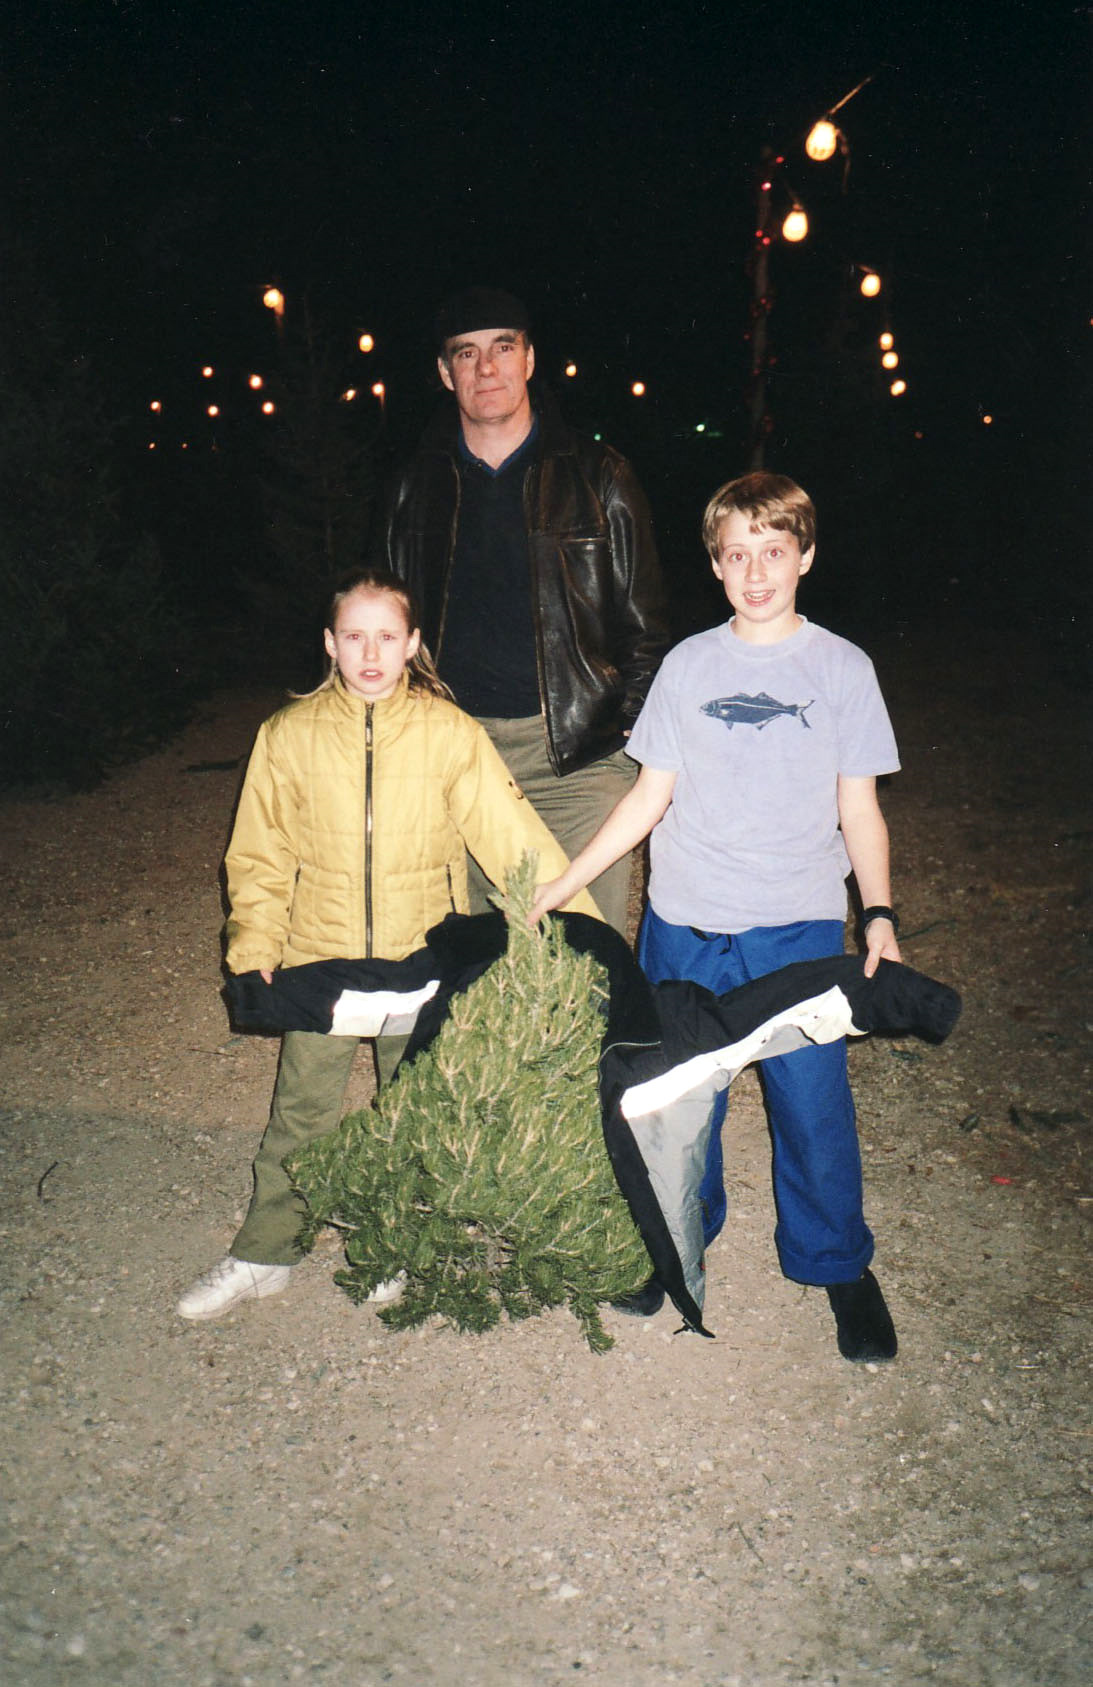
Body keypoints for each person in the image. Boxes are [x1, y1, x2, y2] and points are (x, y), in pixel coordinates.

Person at [529, 472, 903, 1362]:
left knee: (811, 1103)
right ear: (714, 564)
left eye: (773, 551)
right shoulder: (689, 667)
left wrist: (879, 913)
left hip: (795, 927)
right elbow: (646, 796)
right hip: (685, 922)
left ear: (805, 556)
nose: (755, 571)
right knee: (675, 1099)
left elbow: (859, 808)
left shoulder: (842, 669)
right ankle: (673, 1236)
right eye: (737, 554)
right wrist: (567, 879)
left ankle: (837, 1263)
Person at [177, 569, 600, 1322]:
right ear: (330, 644)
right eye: (354, 636)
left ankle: (394, 1245)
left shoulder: (450, 733)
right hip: (320, 957)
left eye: (385, 637)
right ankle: (267, 1252)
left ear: (411, 644)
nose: (369, 654)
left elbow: (511, 836)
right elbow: (260, 853)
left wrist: (583, 933)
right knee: (302, 1115)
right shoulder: (287, 734)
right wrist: (254, 944)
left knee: (411, 1113)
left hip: (421, 956)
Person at [377, 285, 668, 937]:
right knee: (470, 955)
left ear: (529, 359)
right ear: (444, 372)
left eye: (502, 348)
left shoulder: (599, 475)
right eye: (466, 353)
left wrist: (623, 736)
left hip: (576, 756)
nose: (486, 368)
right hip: (455, 751)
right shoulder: (412, 487)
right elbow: (382, 626)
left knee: (585, 954)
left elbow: (646, 629)